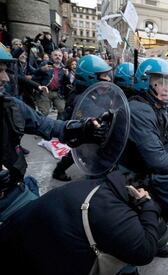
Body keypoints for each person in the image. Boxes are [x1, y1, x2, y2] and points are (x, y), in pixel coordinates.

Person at [0, 47, 108, 221]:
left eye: (5, 71)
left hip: (14, 191)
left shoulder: (10, 106)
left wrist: (81, 128)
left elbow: (46, 125)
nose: (4, 78)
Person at [0, 170, 165, 275]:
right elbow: (145, 251)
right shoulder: (113, 212)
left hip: (16, 240)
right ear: (135, 193)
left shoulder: (95, 186)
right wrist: (148, 206)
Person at [120, 58, 168, 258]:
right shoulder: (140, 110)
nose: (167, 89)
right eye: (160, 82)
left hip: (145, 171)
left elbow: (157, 140)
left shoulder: (153, 105)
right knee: (145, 215)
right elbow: (155, 157)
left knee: (159, 212)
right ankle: (142, 249)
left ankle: (153, 241)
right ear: (146, 82)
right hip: (131, 175)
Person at [52, 54, 113, 181]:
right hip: (83, 131)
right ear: (91, 78)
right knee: (85, 153)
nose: (108, 79)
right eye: (104, 76)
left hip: (84, 132)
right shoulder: (82, 99)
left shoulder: (91, 91)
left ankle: (59, 170)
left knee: (77, 151)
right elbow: (98, 116)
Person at [32, 49, 66, 119]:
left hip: (58, 92)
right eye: (55, 55)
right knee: (44, 112)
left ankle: (58, 125)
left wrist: (67, 75)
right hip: (45, 91)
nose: (58, 57)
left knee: (62, 110)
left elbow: (67, 82)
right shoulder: (45, 64)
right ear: (51, 56)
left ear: (62, 57)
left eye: (60, 56)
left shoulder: (64, 68)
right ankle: (41, 126)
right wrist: (41, 69)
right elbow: (34, 73)